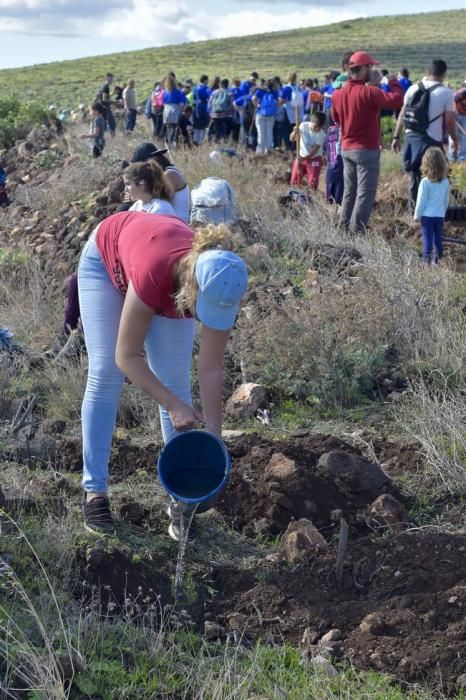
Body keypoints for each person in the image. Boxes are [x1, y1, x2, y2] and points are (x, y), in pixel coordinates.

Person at [77, 212, 248, 538]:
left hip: (161, 271)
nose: (206, 319)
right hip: (107, 263)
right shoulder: (154, 272)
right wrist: (172, 406)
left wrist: (215, 435)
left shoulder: (223, 282)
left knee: (174, 378)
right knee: (106, 371)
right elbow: (127, 356)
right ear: (191, 288)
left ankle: (181, 499)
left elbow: (211, 368)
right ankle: (94, 490)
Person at [332, 51, 403, 233]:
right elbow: (397, 100)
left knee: (350, 193)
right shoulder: (370, 92)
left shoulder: (338, 94)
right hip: (366, 150)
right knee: (365, 194)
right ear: (364, 69)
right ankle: (355, 235)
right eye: (370, 67)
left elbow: (336, 119)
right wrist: (393, 81)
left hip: (347, 149)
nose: (372, 69)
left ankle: (342, 231)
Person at [392, 59, 458, 211]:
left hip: (411, 137)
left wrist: (396, 137)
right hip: (431, 140)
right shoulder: (446, 93)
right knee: (443, 170)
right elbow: (449, 121)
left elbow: (402, 114)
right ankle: (452, 204)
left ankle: (413, 210)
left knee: (415, 174)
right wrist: (454, 139)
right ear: (444, 73)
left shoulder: (412, 89)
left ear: (428, 72)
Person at [131, 142, 191, 223]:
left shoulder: (169, 174)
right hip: (166, 219)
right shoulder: (162, 174)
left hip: (177, 223)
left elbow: (158, 200)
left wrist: (135, 195)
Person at [414, 147, 450, 263]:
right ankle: (438, 259)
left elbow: (421, 201)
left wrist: (416, 215)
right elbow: (446, 200)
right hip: (439, 215)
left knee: (428, 239)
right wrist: (442, 213)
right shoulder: (445, 181)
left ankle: (426, 261)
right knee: (438, 238)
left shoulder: (425, 182)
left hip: (427, 216)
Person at [290, 111, 326, 190]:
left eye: (320, 127)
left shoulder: (321, 135)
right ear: (311, 122)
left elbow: (313, 152)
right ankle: (294, 196)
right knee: (295, 181)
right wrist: (294, 132)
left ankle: (310, 198)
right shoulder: (303, 126)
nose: (317, 129)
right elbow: (292, 139)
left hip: (314, 159)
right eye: (315, 126)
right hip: (301, 156)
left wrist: (303, 158)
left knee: (312, 183)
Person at [252, 78, 280, 154]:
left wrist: (257, 105)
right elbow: (279, 101)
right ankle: (268, 151)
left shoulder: (260, 91)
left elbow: (253, 99)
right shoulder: (274, 92)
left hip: (260, 114)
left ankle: (260, 152)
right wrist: (274, 107)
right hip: (271, 115)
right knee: (269, 134)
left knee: (261, 134)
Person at [279, 72, 304, 151]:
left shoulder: (286, 88)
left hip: (288, 113)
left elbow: (282, 100)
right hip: (298, 113)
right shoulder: (298, 88)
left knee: (287, 131)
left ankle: (289, 147)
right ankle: (296, 147)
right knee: (296, 130)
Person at [162, 75, 187, 145]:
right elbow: (182, 104)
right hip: (175, 111)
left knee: (168, 128)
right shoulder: (179, 92)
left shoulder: (164, 92)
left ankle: (167, 143)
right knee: (175, 129)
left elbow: (163, 103)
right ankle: (173, 143)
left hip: (166, 111)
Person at [208, 78, 234, 143]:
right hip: (225, 115)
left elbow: (209, 103)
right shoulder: (229, 93)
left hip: (214, 114)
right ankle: (224, 143)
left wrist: (210, 113)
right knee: (225, 131)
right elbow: (232, 105)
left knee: (217, 130)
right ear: (227, 85)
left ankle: (215, 143)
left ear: (220, 84)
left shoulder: (214, 92)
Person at [325, 122, 344, 205]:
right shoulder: (342, 129)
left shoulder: (329, 130)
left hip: (330, 166)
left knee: (329, 197)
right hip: (340, 166)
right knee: (338, 197)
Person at [450, 80, 466, 162]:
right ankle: (453, 156)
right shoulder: (462, 92)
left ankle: (462, 157)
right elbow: (452, 100)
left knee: (464, 137)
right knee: (454, 136)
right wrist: (452, 113)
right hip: (457, 114)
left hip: (464, 115)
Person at [192, 75, 211, 145]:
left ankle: (194, 143)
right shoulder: (207, 89)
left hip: (196, 109)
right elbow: (209, 99)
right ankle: (200, 144)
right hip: (204, 108)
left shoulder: (195, 88)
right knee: (203, 129)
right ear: (205, 80)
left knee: (196, 128)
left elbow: (193, 99)